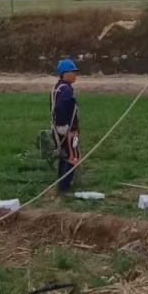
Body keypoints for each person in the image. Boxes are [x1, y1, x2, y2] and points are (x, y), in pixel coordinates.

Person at [51, 57, 81, 193]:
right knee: (71, 157)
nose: (75, 74)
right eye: (73, 72)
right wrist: (63, 125)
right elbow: (60, 107)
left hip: (57, 130)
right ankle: (64, 187)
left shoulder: (57, 88)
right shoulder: (66, 90)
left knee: (63, 156)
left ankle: (61, 183)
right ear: (64, 73)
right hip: (66, 130)